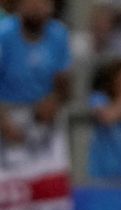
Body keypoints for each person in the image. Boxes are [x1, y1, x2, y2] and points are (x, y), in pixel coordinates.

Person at [0, 0, 70, 143]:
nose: (37, 8)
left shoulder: (59, 34)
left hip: (44, 115)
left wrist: (54, 100)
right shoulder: (4, 35)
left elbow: (63, 79)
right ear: (19, 5)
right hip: (8, 111)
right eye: (31, 3)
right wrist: (4, 122)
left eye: (43, 3)